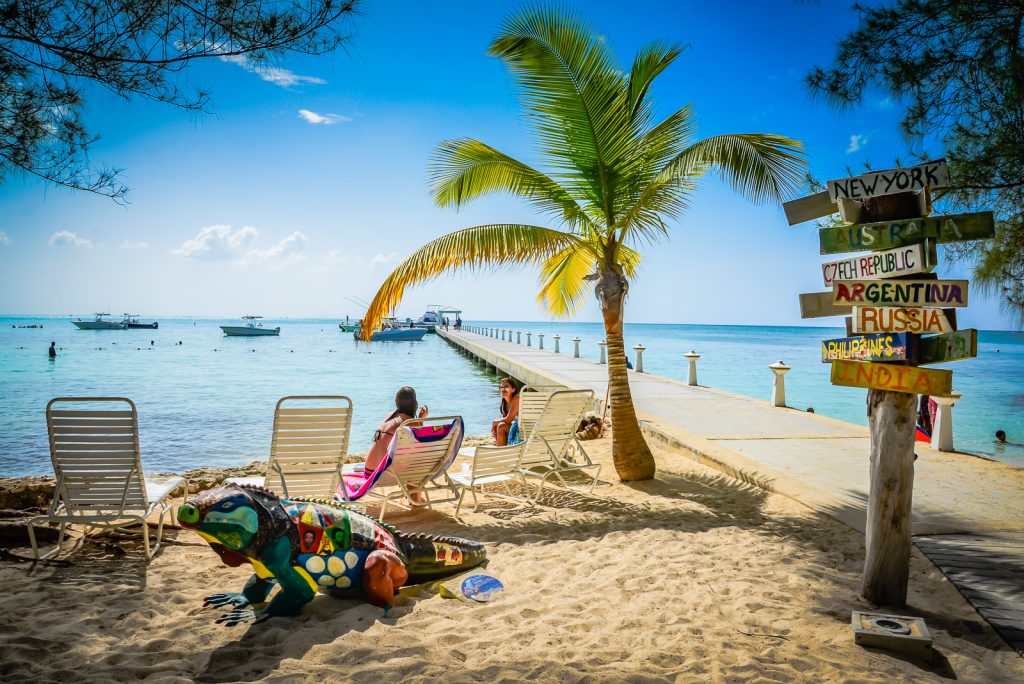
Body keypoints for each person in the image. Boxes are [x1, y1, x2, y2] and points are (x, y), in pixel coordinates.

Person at [365, 387, 428, 471]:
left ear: (396, 403)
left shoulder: (389, 416)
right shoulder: (409, 423)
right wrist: (420, 420)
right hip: (383, 475)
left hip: (369, 471)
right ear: (414, 403)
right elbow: (419, 444)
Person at [491, 377, 522, 446]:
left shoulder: (517, 398)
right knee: (498, 426)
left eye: (506, 387)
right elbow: (505, 421)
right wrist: (495, 424)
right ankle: (501, 448)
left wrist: (494, 422)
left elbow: (508, 419)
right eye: (501, 387)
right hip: (517, 430)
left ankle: (501, 451)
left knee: (501, 426)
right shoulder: (504, 405)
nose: (503, 389)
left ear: (513, 389)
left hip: (525, 430)